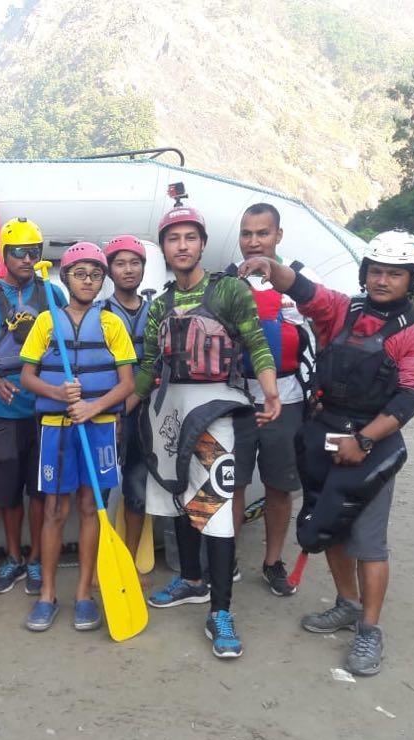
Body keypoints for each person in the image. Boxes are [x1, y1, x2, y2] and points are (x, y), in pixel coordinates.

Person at [238, 230, 414, 676]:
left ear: (412, 280)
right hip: (326, 432)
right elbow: (308, 293)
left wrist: (365, 440)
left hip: (372, 445)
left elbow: (410, 397)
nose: (382, 281)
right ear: (364, 273)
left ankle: (369, 630)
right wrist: (270, 268)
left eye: (394, 274)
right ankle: (346, 604)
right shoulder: (344, 311)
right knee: (324, 524)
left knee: (368, 540)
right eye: (376, 271)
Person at [129, 204, 280, 659]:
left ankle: (220, 611)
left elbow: (255, 342)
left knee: (212, 508)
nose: (182, 246)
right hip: (171, 410)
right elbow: (149, 367)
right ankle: (191, 580)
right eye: (173, 239)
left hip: (217, 410)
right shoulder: (161, 305)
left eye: (190, 238)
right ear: (164, 248)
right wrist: (117, 408)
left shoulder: (229, 290)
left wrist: (271, 394)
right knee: (178, 499)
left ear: (202, 244)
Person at [19, 243, 135, 631]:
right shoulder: (46, 321)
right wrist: (57, 394)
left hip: (99, 428)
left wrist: (93, 406)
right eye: (80, 274)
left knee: (90, 509)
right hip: (57, 429)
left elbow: (127, 384)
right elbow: (27, 377)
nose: (88, 281)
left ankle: (84, 594)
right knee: (55, 511)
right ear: (65, 278)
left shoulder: (112, 323)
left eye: (96, 275)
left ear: (103, 281)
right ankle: (47, 594)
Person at [0, 218, 66, 595]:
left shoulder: (54, 294)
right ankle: (13, 556)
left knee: (39, 487)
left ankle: (37, 559)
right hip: (1, 400)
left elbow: (67, 341)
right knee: (6, 489)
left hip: (43, 400)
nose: (27, 258)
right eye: (19, 252)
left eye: (34, 252)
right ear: (5, 255)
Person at [227, 203, 318, 594]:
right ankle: (225, 559)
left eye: (262, 233)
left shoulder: (301, 280)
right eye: (247, 234)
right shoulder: (228, 282)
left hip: (289, 397)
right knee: (233, 484)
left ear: (278, 235)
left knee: (280, 486)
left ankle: (272, 561)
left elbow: (323, 334)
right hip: (235, 398)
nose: (254, 241)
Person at [102, 235, 152, 560]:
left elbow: (153, 365)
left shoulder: (156, 312)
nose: (128, 269)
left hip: (144, 413)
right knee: (100, 490)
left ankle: (131, 561)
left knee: (137, 488)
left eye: (135, 262)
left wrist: (128, 406)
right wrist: (115, 409)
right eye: (120, 263)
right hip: (106, 412)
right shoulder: (99, 314)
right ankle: (99, 560)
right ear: (110, 271)